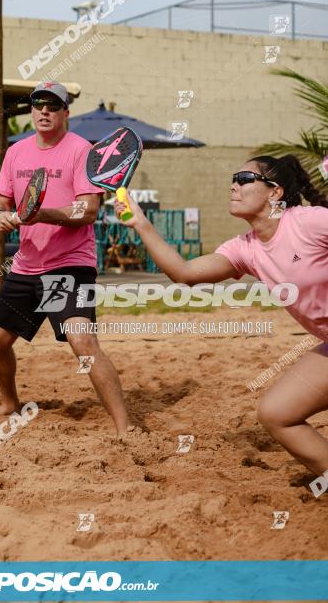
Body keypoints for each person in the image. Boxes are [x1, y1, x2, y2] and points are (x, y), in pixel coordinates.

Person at [115, 154, 328, 476]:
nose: (233, 185)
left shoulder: (308, 221)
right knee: (277, 414)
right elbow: (184, 272)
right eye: (233, 178)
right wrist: (140, 223)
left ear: (275, 192)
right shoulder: (246, 248)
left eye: (244, 179)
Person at [0, 81, 133, 438]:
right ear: (32, 110)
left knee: (82, 343)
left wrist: (44, 213)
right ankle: (9, 403)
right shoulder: (17, 152)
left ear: (66, 112)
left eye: (53, 106)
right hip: (26, 264)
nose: (45, 111)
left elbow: (88, 208)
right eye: (38, 105)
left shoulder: (82, 151)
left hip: (68, 264)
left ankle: (125, 427)